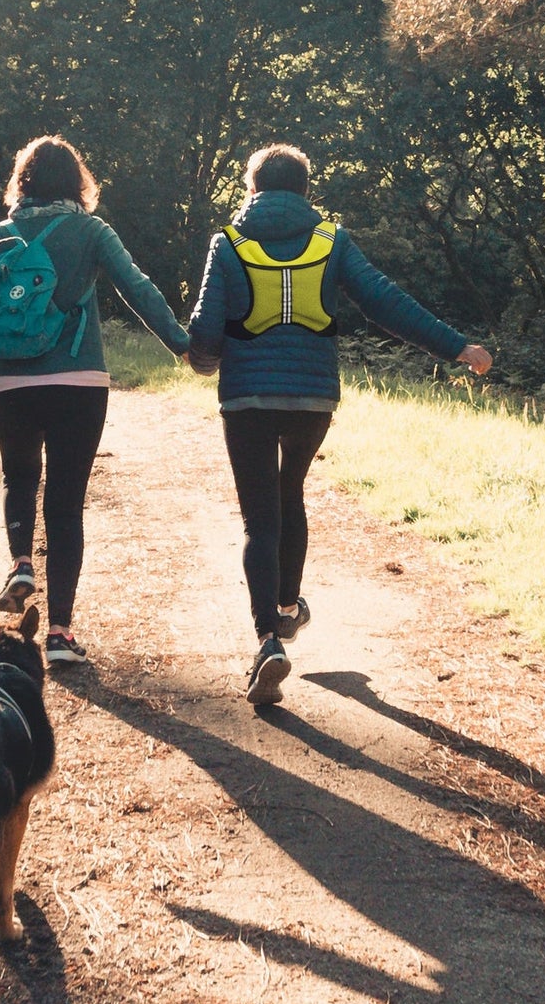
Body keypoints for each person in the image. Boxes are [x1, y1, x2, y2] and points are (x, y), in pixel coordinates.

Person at [185, 142, 492, 707]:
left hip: (247, 398)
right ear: (305, 190)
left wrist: (203, 359)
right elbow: (386, 302)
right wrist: (457, 347)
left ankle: (267, 641)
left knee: (259, 519)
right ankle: (287, 609)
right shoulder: (332, 240)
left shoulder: (226, 244)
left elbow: (205, 329)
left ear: (252, 189)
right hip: (312, 397)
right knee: (291, 495)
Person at [0, 135, 192, 669]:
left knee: (19, 477)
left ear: (22, 182)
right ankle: (59, 634)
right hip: (79, 381)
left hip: (10, 383)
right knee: (66, 503)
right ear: (78, 182)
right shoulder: (92, 231)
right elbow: (137, 287)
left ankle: (21, 564)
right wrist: (184, 345)